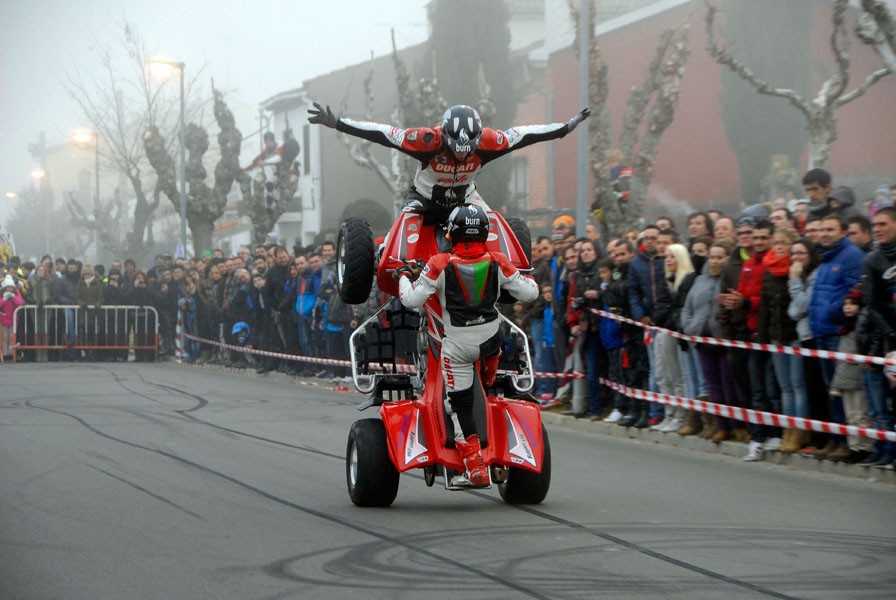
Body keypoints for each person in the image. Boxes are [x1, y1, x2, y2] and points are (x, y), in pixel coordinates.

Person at [396, 205, 539, 486]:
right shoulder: (498, 260)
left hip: (458, 347)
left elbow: (411, 300)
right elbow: (530, 293)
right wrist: (526, 277)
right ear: (484, 233)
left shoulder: (438, 263)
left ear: (452, 233)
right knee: (497, 335)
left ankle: (474, 467)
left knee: (458, 406)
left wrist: (403, 275)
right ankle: (489, 373)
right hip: (491, 339)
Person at [309, 101, 589, 225]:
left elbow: (525, 134)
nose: (463, 155)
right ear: (444, 136)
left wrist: (563, 129)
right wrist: (339, 123)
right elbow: (383, 133)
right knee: (404, 229)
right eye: (456, 149)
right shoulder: (426, 140)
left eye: (469, 150)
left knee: (497, 225)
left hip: (466, 198)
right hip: (423, 199)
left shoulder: (489, 141)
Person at [0, 274, 24, 360]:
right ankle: (5, 354)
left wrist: (13, 297)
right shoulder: (1, 295)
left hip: (13, 320)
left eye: (11, 287)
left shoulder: (16, 293)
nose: (9, 289)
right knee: (4, 338)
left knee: (11, 337)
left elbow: (20, 303)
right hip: (3, 320)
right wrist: (4, 299)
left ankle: (11, 354)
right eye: (8, 287)